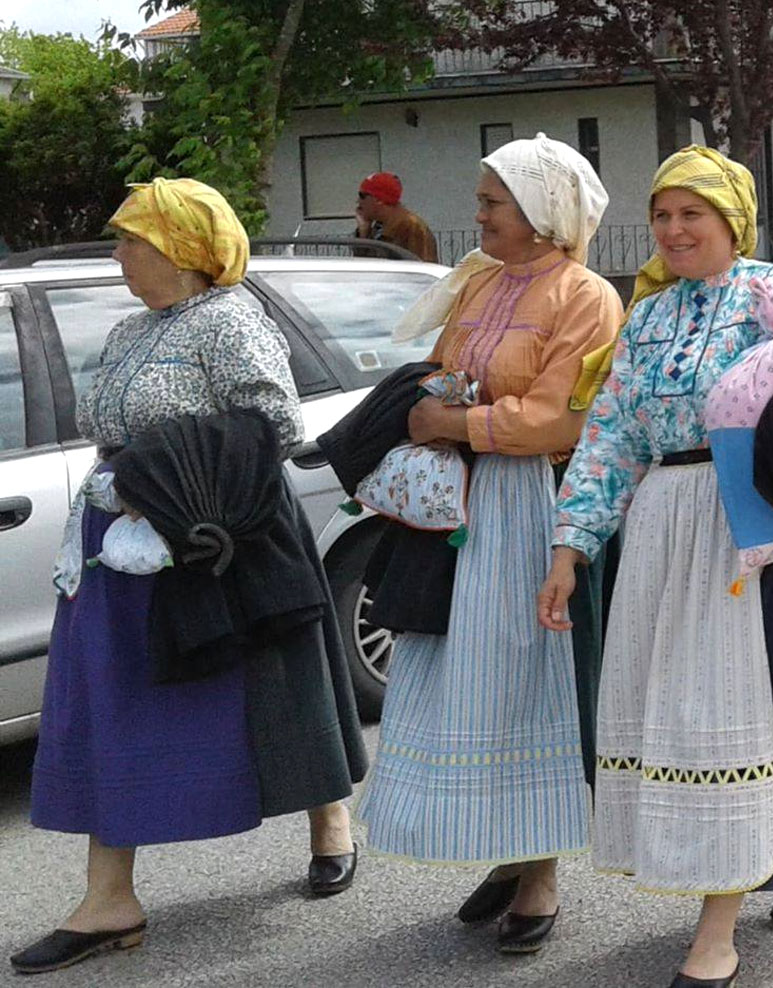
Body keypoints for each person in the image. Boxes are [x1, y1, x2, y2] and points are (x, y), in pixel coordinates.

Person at [539, 146, 773, 988]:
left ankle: (716, 931)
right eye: (664, 215)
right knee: (724, 711)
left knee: (753, 711)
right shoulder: (643, 318)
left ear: (732, 222)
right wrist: (571, 547)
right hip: (665, 534)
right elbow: (609, 438)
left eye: (693, 215)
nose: (675, 230)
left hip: (763, 528)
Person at [11, 179, 367, 975]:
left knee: (280, 684)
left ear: (181, 250)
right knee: (114, 702)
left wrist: (163, 479)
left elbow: (270, 422)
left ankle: (329, 819)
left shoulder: (232, 319)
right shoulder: (132, 328)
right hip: (123, 536)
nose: (118, 255)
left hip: (218, 534)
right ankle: (111, 897)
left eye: (130, 241)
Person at [354, 136, 621, 954]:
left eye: (492, 202)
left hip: (531, 504)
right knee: (466, 680)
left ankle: (539, 868)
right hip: (462, 506)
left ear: (542, 215)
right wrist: (435, 397)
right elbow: (440, 366)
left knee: (524, 679)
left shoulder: (586, 297)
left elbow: (563, 417)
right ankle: (507, 854)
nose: (477, 214)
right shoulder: (478, 280)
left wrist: (460, 420)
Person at [354, 171, 439, 262]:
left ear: (379, 200)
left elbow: (423, 270)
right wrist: (363, 233)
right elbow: (365, 267)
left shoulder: (411, 226)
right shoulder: (379, 225)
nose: (358, 201)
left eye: (362, 196)